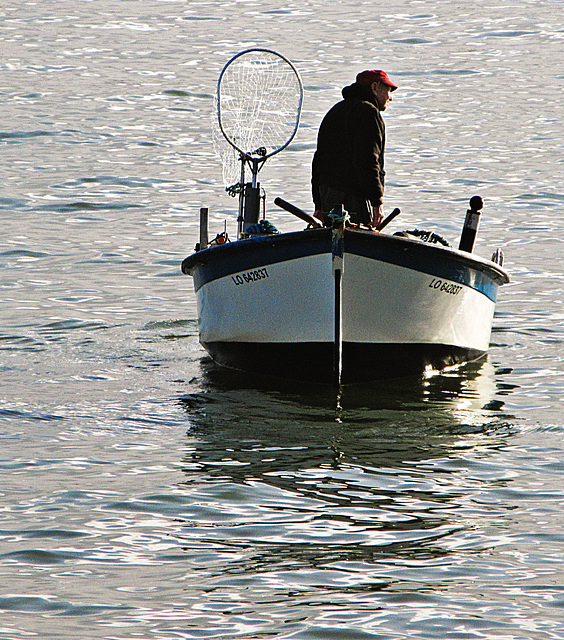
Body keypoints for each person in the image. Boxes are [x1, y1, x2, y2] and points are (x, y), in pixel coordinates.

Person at [312, 69, 397, 228]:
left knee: (333, 236)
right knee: (359, 238)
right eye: (388, 90)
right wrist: (377, 202)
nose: (390, 97)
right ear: (374, 87)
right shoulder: (369, 113)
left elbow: (318, 161)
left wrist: (318, 204)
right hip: (353, 198)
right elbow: (368, 161)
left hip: (328, 196)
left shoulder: (335, 111)